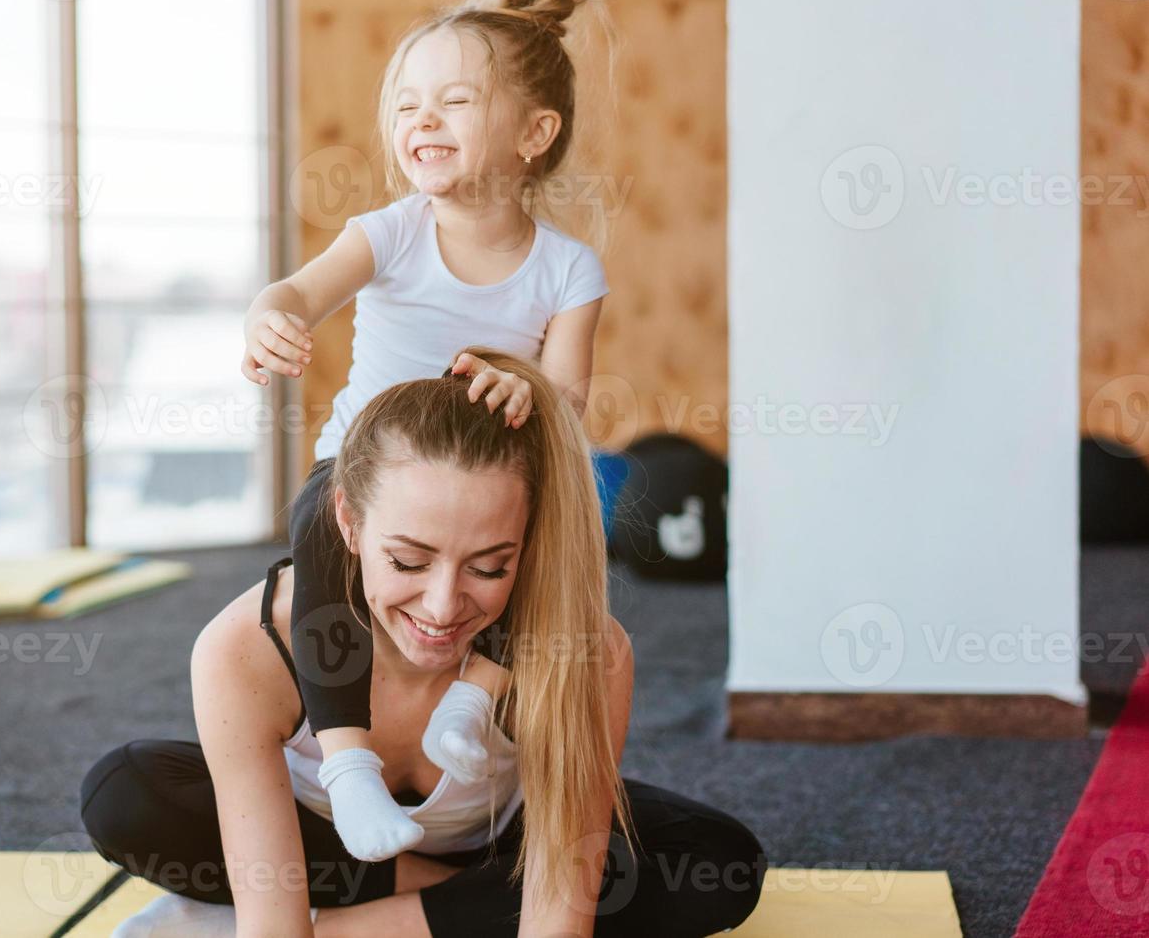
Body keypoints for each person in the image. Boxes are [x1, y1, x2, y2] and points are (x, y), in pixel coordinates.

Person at [80, 349, 767, 937]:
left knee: (715, 864)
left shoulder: (584, 649)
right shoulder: (248, 647)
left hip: (497, 846)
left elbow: (560, 898)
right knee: (127, 793)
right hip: (322, 847)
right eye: (409, 561)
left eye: (490, 566)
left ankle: (362, 924)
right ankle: (463, 909)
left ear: (528, 541)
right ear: (347, 520)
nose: (443, 607)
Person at [240, 0, 620, 861]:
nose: (422, 121)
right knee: (319, 537)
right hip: (366, 475)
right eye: (408, 105)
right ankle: (348, 764)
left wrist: (530, 388)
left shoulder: (569, 269)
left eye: (453, 101)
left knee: (563, 533)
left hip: (496, 485)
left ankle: (474, 696)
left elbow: (567, 398)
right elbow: (297, 291)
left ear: (535, 132)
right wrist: (271, 319)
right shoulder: (393, 231)